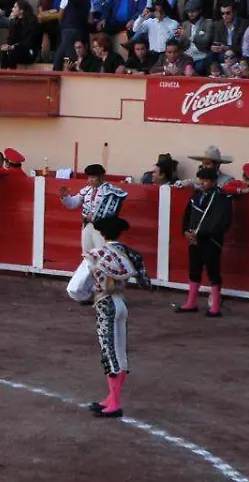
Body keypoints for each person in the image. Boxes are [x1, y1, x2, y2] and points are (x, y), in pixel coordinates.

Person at [68, 216, 149, 419]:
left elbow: (75, 289)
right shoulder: (129, 253)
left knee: (109, 352)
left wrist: (87, 296)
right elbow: (146, 283)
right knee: (120, 351)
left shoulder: (96, 254)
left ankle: (114, 403)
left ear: (101, 234)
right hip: (121, 303)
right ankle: (111, 398)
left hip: (105, 305)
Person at [176, 168, 233, 317]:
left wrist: (200, 234)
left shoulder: (221, 198)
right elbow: (187, 215)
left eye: (206, 181)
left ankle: (215, 307)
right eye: (200, 180)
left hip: (211, 240)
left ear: (214, 182)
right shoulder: (196, 196)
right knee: (194, 270)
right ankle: (191, 302)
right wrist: (186, 231)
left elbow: (222, 222)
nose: (202, 183)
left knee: (213, 272)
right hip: (194, 240)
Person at [60, 163, 128, 257]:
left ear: (101, 177)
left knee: (103, 255)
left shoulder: (110, 191)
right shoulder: (87, 190)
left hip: (103, 228)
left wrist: (95, 217)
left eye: (93, 177)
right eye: (89, 177)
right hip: (87, 226)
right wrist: (65, 197)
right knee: (87, 255)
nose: (90, 180)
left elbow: (111, 211)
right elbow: (73, 204)